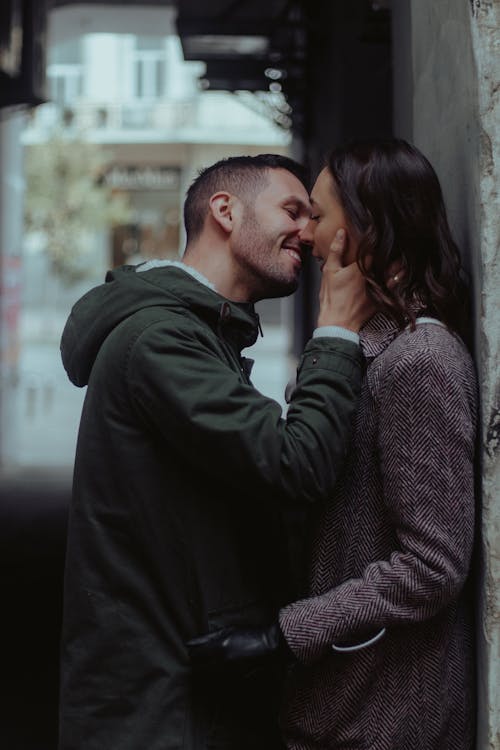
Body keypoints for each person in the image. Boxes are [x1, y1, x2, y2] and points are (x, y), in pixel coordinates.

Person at [58, 153, 375, 750]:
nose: (308, 234)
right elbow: (296, 461)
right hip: (161, 714)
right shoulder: (161, 340)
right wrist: (337, 332)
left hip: (187, 693)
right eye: (292, 210)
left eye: (313, 216)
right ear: (224, 211)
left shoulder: (201, 333)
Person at [189, 141, 477, 750]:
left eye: (317, 215)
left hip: (386, 716)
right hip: (338, 704)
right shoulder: (365, 348)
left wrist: (287, 633)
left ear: (368, 224)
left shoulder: (419, 361)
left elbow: (433, 567)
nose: (307, 236)